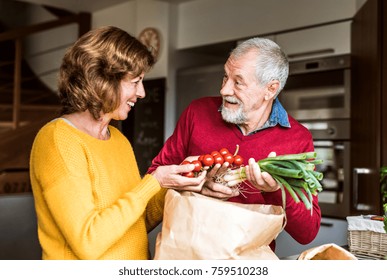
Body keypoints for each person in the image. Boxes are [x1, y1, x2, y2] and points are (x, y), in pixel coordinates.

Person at [29, 26, 207, 260]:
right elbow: (89, 241)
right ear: (102, 80)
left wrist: (174, 184)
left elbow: (135, 222)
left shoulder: (119, 139)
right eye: (135, 81)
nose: (142, 92)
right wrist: (153, 182)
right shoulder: (58, 140)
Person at [148, 37, 321, 252]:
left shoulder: (297, 139)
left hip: (247, 263)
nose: (224, 90)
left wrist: (275, 190)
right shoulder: (197, 112)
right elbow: (155, 177)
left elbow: (308, 232)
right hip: (185, 253)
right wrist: (196, 183)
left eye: (238, 82)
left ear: (270, 89)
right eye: (225, 77)